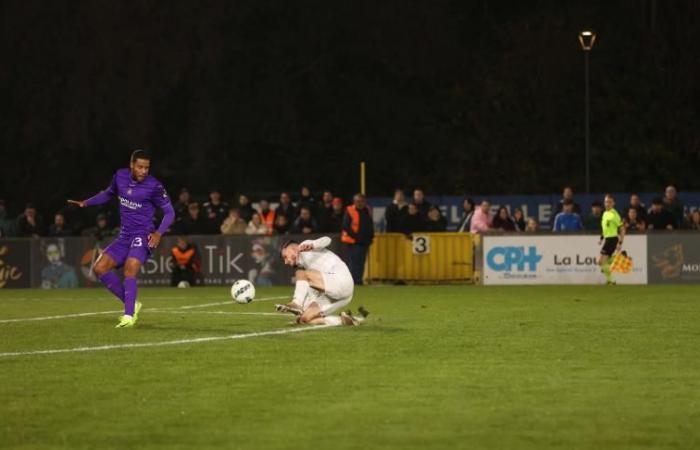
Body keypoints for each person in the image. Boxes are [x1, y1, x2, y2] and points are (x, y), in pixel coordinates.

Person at [68, 149, 175, 328]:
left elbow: (170, 212)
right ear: (131, 165)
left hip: (144, 234)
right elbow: (108, 193)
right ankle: (131, 303)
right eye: (140, 167)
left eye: (146, 168)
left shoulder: (154, 186)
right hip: (125, 235)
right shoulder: (120, 176)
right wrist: (87, 202)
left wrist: (158, 233)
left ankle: (128, 315)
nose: (143, 171)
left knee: (130, 267)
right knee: (100, 267)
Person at [278, 237, 366, 326]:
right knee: (304, 319)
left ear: (293, 248)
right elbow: (312, 289)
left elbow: (327, 240)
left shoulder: (304, 247)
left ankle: (296, 303)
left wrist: (313, 244)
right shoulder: (308, 267)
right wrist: (306, 308)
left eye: (285, 257)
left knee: (300, 274)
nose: (286, 262)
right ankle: (344, 320)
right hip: (339, 293)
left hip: (340, 278)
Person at [341, 194, 374, 285]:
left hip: (364, 241)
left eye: (362, 201)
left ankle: (358, 280)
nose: (360, 203)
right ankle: (352, 281)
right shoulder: (349, 210)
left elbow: (370, 224)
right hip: (353, 241)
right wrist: (357, 237)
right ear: (354, 202)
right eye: (358, 201)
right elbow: (346, 226)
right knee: (354, 262)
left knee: (361, 262)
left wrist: (371, 236)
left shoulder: (367, 210)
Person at [598, 194, 625, 285]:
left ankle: (612, 280)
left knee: (601, 262)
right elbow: (605, 228)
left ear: (613, 203)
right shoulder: (605, 213)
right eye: (606, 201)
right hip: (607, 239)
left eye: (610, 202)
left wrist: (620, 242)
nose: (607, 204)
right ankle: (610, 279)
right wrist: (602, 238)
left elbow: (622, 229)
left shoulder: (614, 215)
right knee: (603, 263)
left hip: (612, 239)